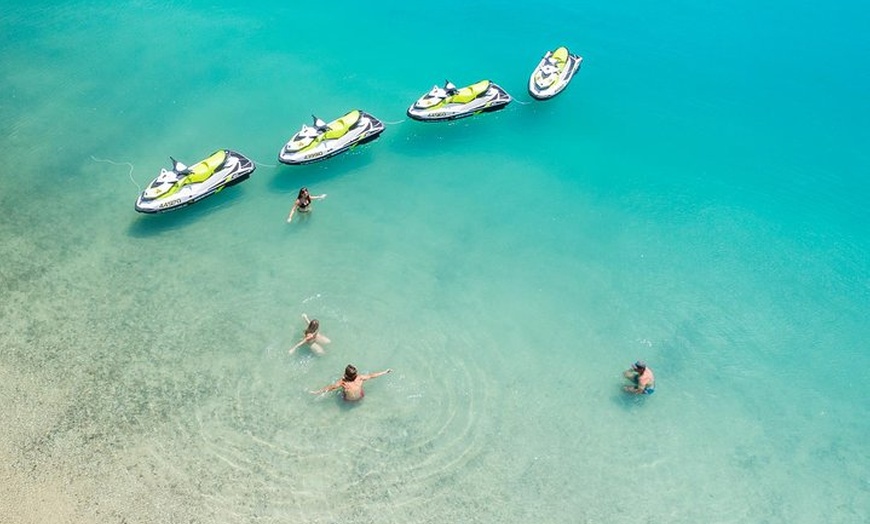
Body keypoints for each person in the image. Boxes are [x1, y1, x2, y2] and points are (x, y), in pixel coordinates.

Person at [311, 365, 392, 401]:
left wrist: (317, 392)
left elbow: (329, 388)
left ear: (346, 375)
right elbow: (372, 376)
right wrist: (385, 372)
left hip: (348, 400)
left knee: (338, 393)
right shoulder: (360, 378)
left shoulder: (343, 383)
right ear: (356, 374)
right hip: (361, 397)